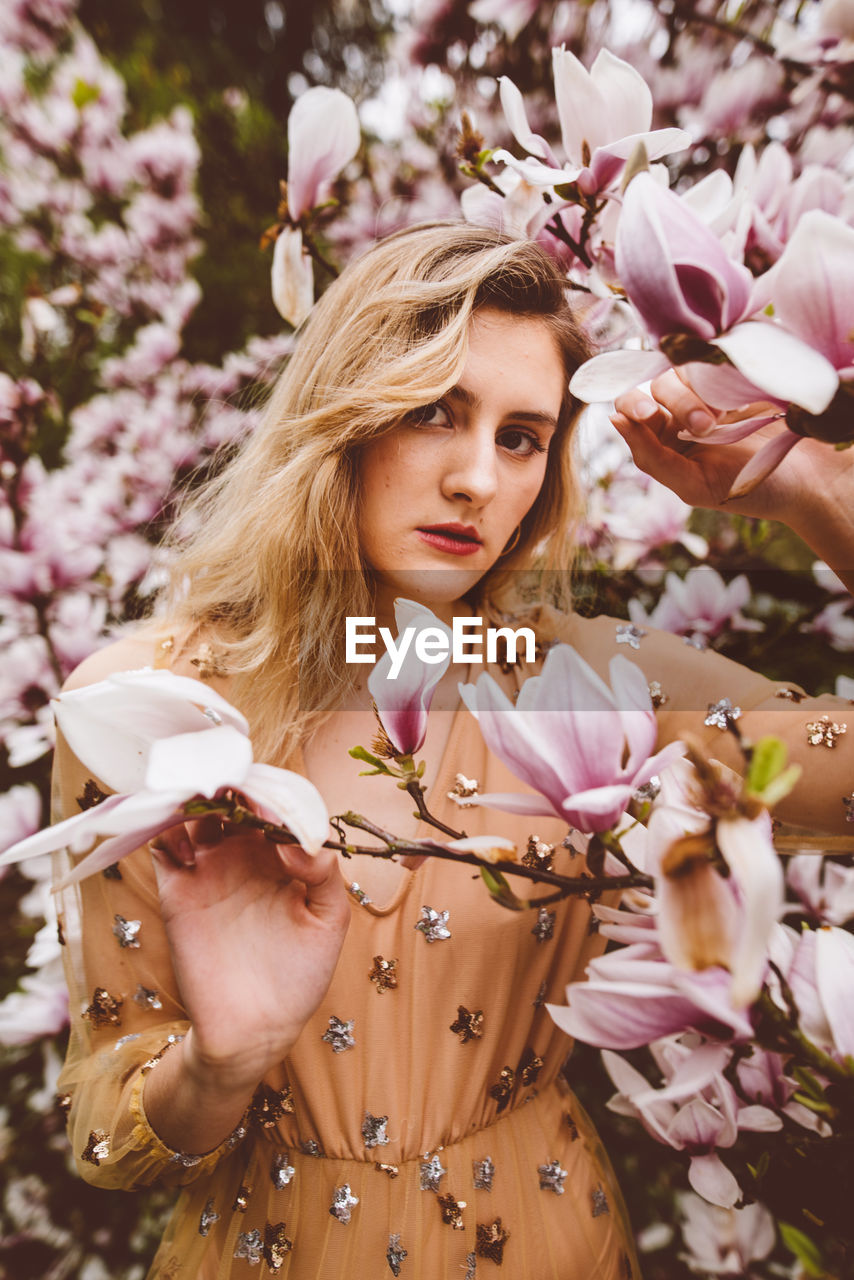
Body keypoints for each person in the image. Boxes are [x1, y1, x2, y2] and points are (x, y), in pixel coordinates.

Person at [50, 223, 853, 1280]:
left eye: (521, 436)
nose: (478, 476)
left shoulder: (594, 686)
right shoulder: (144, 705)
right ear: (342, 414)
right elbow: (106, 1135)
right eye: (435, 410)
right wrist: (220, 1061)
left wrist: (804, 484)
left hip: (546, 1241)